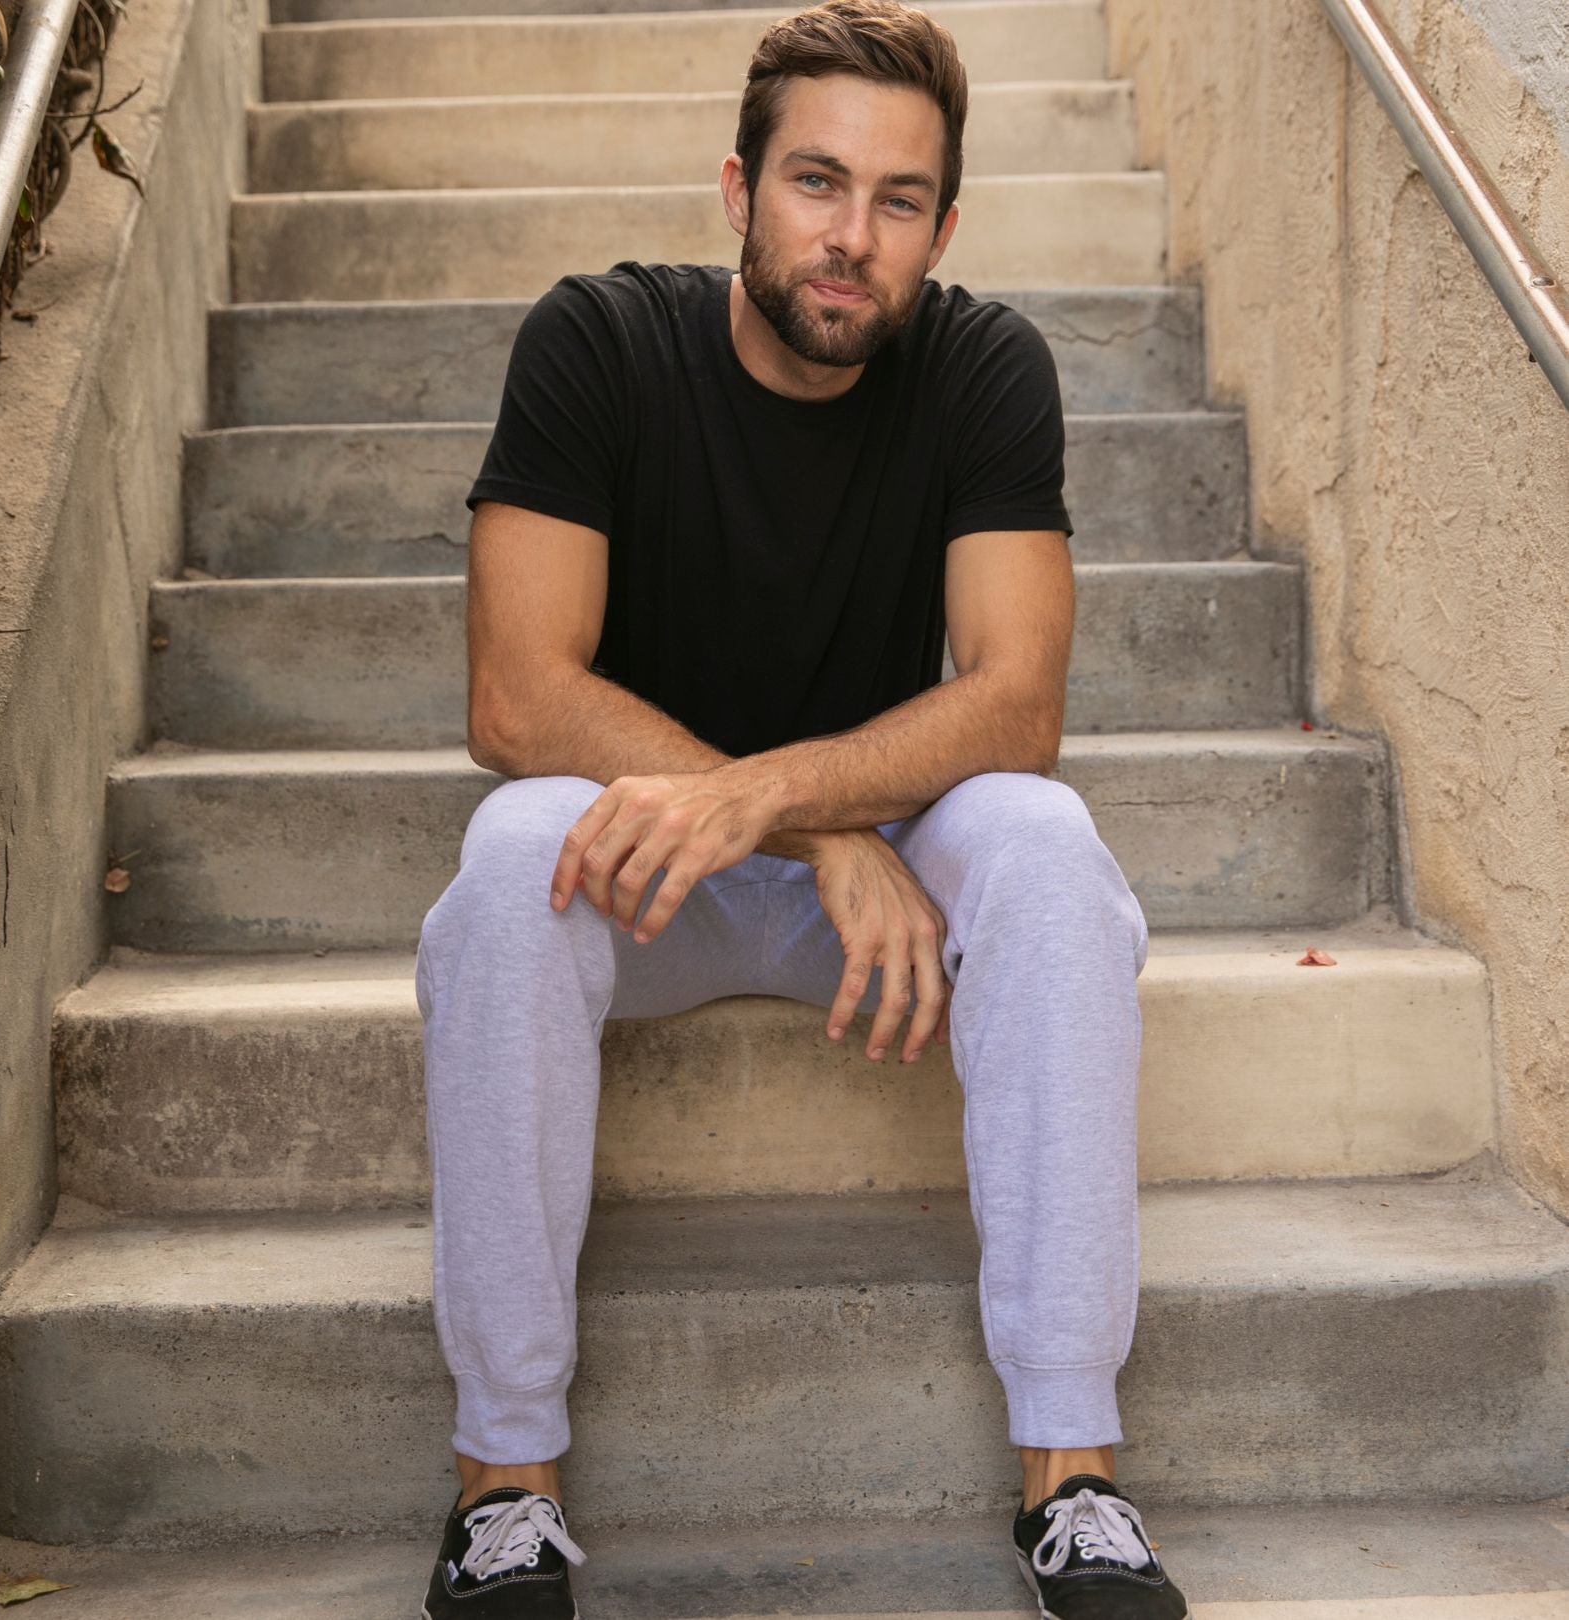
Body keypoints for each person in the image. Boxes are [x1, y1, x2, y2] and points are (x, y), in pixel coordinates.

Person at [415, 2, 1189, 1615]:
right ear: (738, 189)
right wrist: (811, 828)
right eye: (817, 183)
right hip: (665, 870)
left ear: (945, 225)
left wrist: (813, 806)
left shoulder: (984, 367)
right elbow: (516, 695)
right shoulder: (599, 344)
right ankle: (505, 1476)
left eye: (900, 200)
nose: (852, 237)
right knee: (503, 865)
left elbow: (1015, 705)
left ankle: (1075, 1465)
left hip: (896, 854)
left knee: (1045, 847)